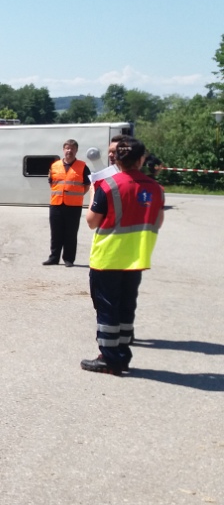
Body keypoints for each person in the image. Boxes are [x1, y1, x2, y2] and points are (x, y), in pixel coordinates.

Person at [82, 137, 164, 375]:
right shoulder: (156, 188)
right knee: (127, 307)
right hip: (137, 258)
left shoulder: (107, 185)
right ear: (141, 160)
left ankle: (109, 359)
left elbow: (91, 222)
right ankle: (123, 353)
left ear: (117, 159)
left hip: (108, 258)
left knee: (107, 308)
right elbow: (158, 221)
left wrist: (91, 195)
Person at [45, 139, 91, 267]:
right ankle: (54, 258)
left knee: (71, 233)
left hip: (73, 206)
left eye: (72, 148)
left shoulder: (82, 166)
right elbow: (51, 182)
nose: (69, 151)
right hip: (56, 204)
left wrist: (78, 195)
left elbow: (87, 185)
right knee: (55, 232)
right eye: (67, 148)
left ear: (76, 150)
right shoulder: (55, 166)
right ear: (63, 150)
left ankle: (69, 259)